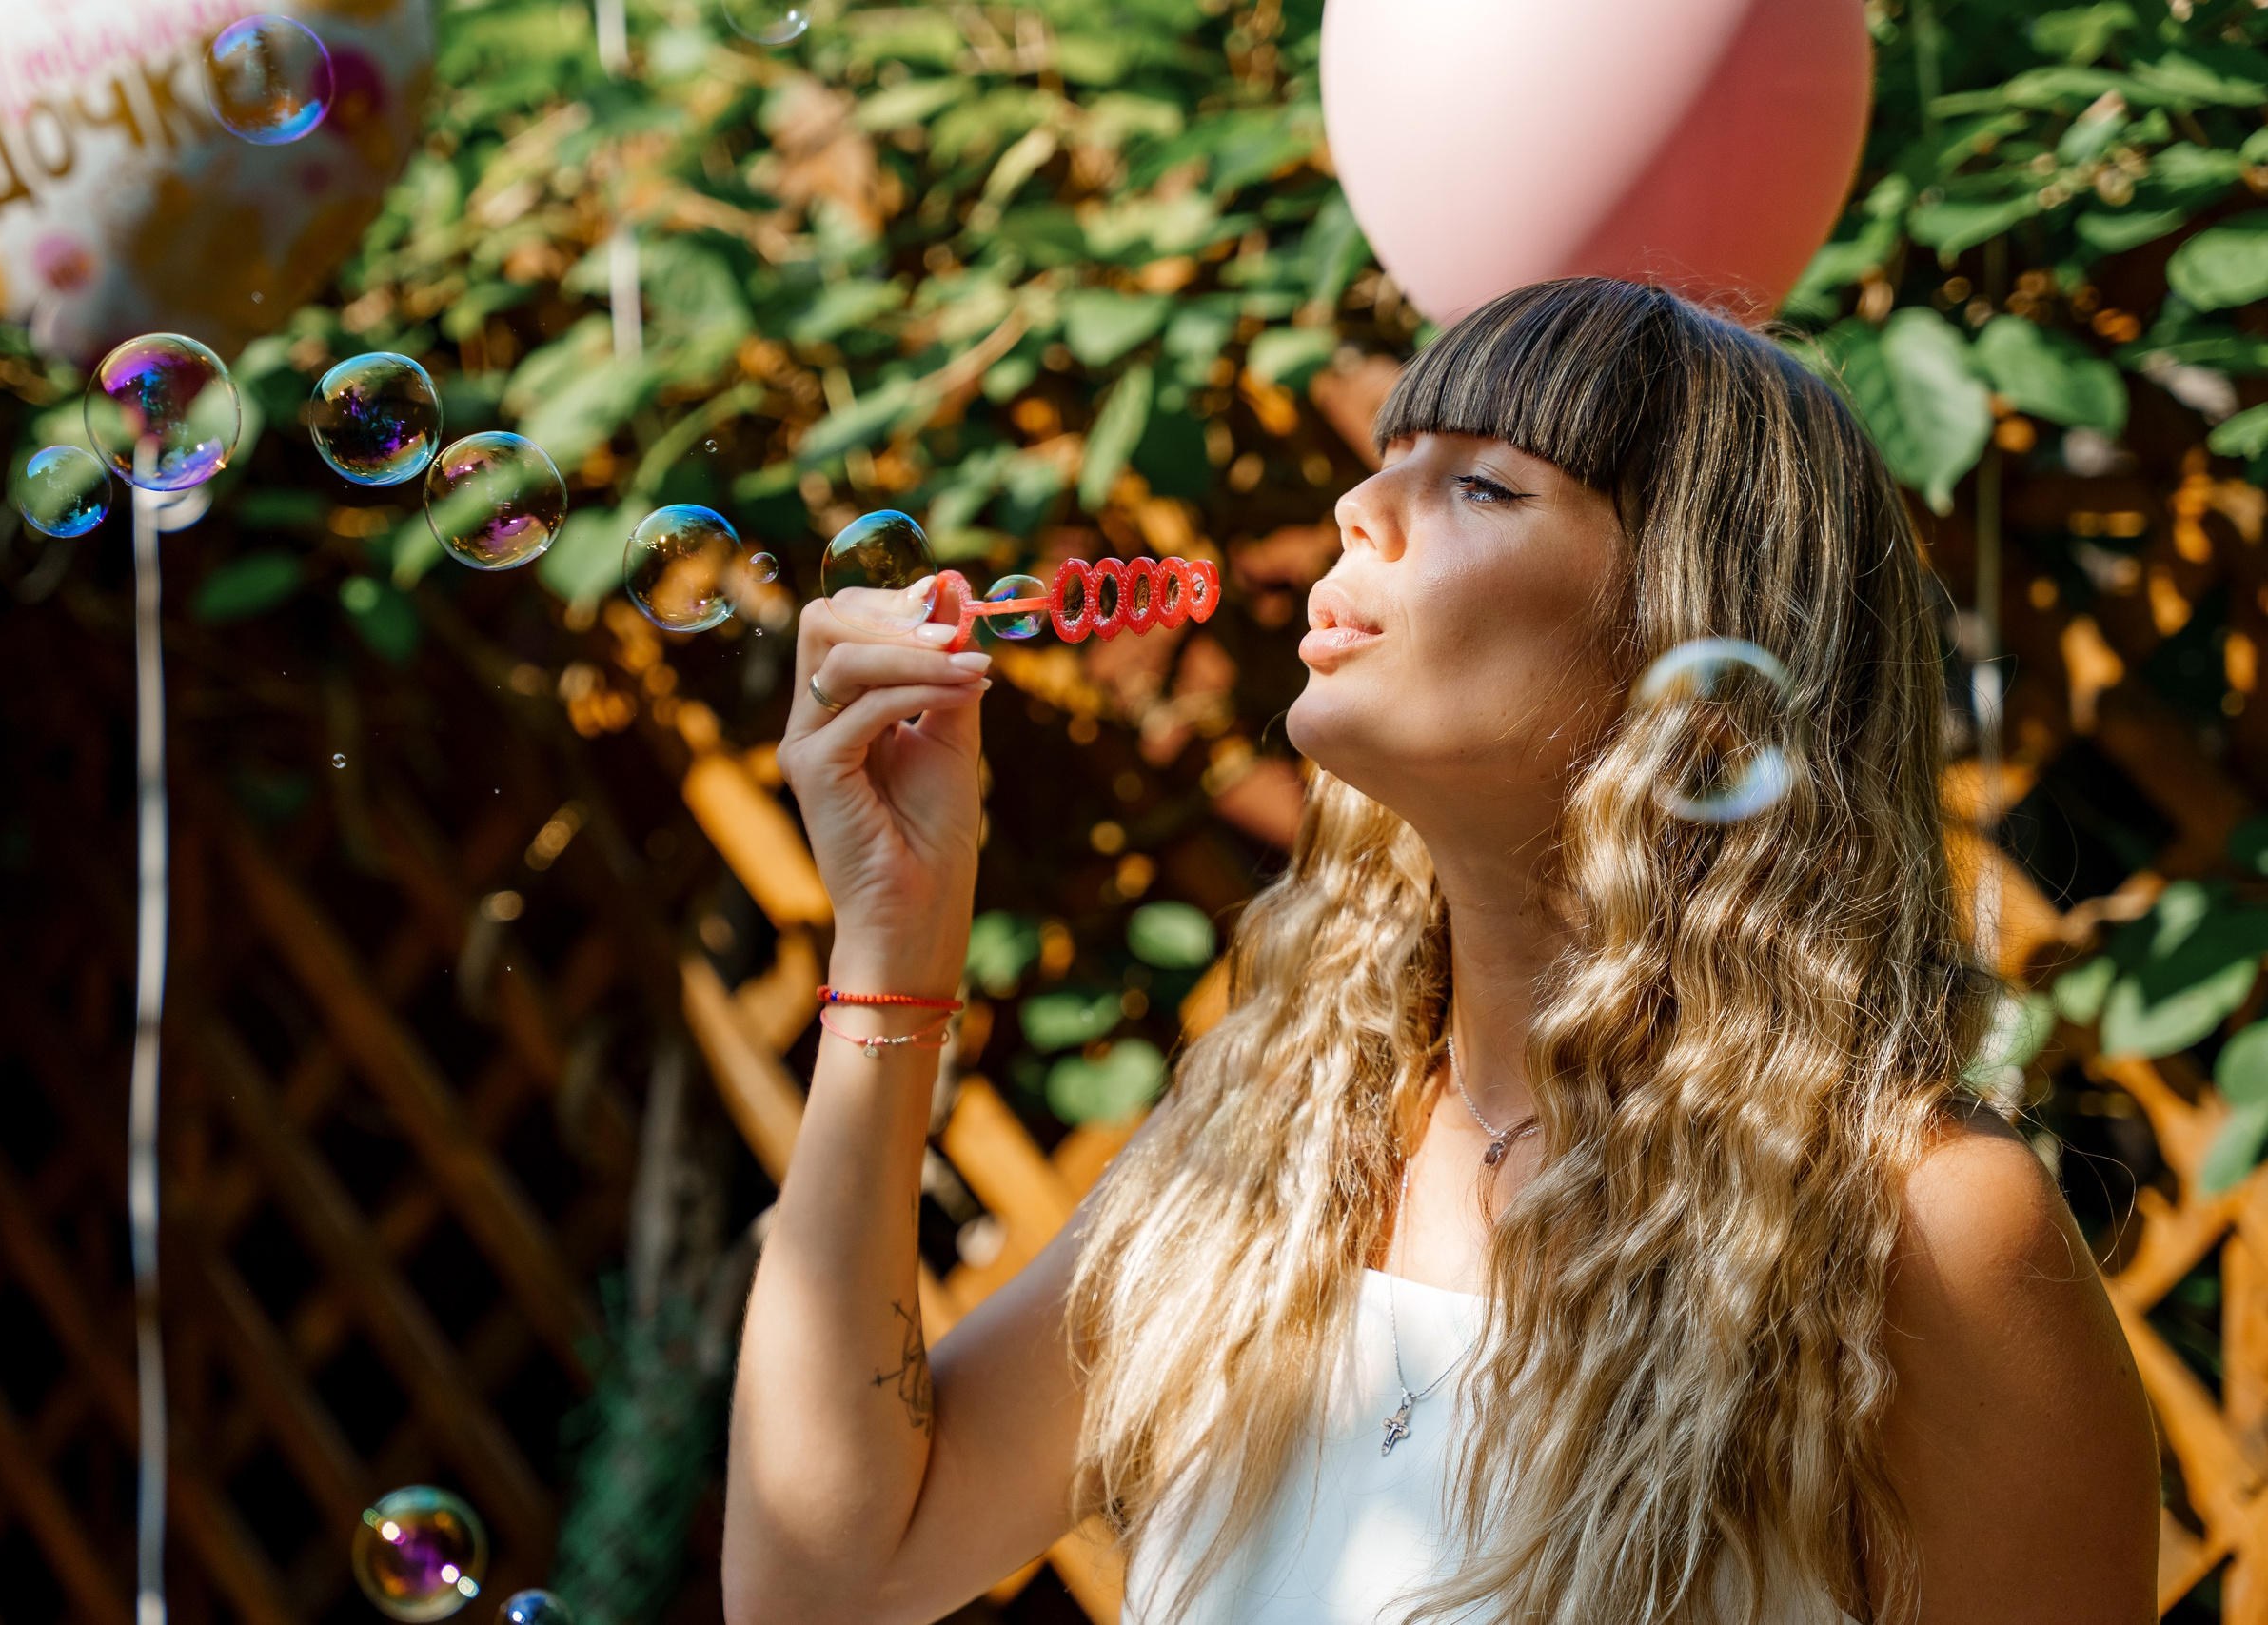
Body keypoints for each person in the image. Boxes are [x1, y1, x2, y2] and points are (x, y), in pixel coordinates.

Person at [723, 277, 2159, 1625]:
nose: (1358, 505)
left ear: (1696, 645)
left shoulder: (1920, 1230)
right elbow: (826, 1578)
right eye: (1385, 458)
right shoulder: (1273, 1151)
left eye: (1480, 483)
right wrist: (892, 940)